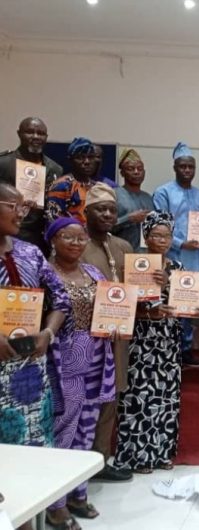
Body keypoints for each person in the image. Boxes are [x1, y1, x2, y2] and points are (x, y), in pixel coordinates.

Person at [115, 211, 199, 473]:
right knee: (139, 396)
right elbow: (120, 304)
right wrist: (148, 312)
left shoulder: (178, 269)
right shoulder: (134, 264)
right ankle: (137, 456)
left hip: (168, 342)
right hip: (141, 341)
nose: (162, 239)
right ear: (146, 236)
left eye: (167, 235)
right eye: (156, 234)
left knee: (166, 397)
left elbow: (185, 306)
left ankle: (161, 453)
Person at [0, 183, 69, 530]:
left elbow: (61, 300)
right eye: (15, 206)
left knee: (32, 444)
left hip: (29, 371)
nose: (22, 213)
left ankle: (33, 518)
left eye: (25, 207)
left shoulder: (31, 252)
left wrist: (48, 332)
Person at [45, 217, 115, 530]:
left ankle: (78, 492)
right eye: (67, 237)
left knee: (88, 423)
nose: (75, 243)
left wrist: (117, 322)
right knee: (65, 424)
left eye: (80, 237)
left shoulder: (94, 272)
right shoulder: (44, 273)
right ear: (52, 240)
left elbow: (113, 308)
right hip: (64, 354)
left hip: (98, 351)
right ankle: (54, 504)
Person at [80, 182, 134, 483]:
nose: (107, 215)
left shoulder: (123, 247)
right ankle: (78, 462)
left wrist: (156, 278)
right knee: (84, 398)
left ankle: (101, 459)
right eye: (101, 209)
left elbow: (136, 289)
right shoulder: (75, 242)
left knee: (111, 396)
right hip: (85, 337)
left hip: (117, 337)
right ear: (87, 212)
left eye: (112, 210)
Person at [153, 142, 199, 368]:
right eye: (183, 166)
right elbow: (159, 226)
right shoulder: (163, 192)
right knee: (171, 303)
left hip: (195, 258)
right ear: (175, 167)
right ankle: (170, 351)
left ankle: (186, 350)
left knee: (190, 302)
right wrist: (181, 243)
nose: (187, 170)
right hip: (172, 256)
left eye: (191, 167)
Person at [0, 117, 63, 251]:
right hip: (6, 235)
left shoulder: (55, 168)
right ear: (19, 134)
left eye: (40, 133)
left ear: (46, 137)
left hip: (40, 239)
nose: (35, 137)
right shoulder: (3, 163)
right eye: (30, 132)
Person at [46, 137, 108, 226]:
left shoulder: (97, 187)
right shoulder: (62, 185)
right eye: (80, 157)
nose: (87, 162)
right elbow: (53, 222)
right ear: (71, 160)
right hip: (70, 237)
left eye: (90, 157)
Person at [112, 148, 153, 251]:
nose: (136, 172)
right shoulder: (114, 194)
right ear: (122, 173)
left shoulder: (148, 198)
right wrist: (128, 219)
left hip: (145, 255)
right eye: (131, 169)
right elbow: (105, 227)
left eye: (140, 169)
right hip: (120, 252)